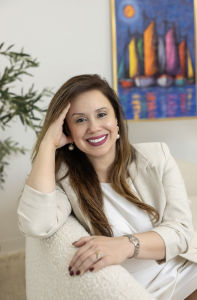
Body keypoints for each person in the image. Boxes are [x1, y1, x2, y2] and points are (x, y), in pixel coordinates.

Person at [17, 74, 197, 300]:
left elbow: (181, 232)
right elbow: (35, 225)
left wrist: (126, 245)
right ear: (67, 130)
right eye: (80, 120)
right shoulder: (63, 181)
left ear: (117, 120)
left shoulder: (157, 156)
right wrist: (47, 144)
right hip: (134, 289)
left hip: (182, 271)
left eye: (102, 115)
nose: (94, 127)